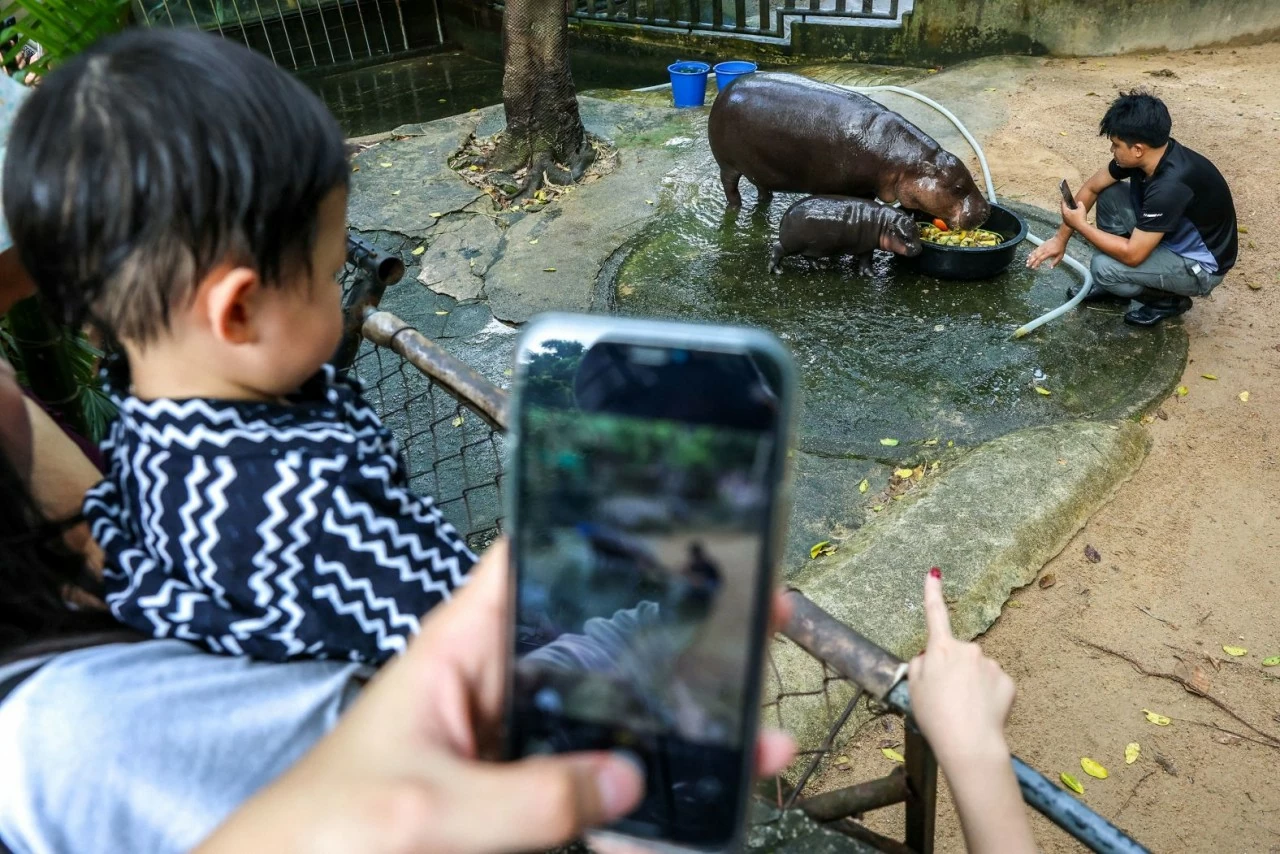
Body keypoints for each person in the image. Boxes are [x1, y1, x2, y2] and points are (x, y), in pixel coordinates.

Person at [3, 28, 477, 666]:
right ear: (240, 311)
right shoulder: (314, 505)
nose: (338, 296)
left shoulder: (145, 432)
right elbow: (468, 655)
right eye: (329, 276)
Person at [1027, 90, 1237, 327]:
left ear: (1138, 149)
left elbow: (1133, 254)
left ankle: (1167, 301)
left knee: (1103, 267)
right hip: (1168, 236)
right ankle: (1117, 288)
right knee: (1109, 193)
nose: (1112, 151)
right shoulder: (1153, 153)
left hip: (1199, 267)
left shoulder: (1170, 186)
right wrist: (1060, 239)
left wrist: (1080, 226)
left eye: (1115, 145)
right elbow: (1093, 187)